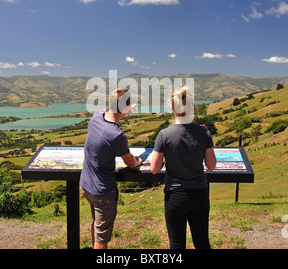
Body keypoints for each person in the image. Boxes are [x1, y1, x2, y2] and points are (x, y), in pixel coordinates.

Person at [150, 86, 216, 249]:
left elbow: (154, 169)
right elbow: (211, 166)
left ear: (172, 108)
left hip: (175, 196)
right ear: (191, 107)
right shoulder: (203, 133)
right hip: (200, 193)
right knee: (202, 242)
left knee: (177, 244)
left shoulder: (164, 135)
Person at [80, 88, 142, 249]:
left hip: (86, 185)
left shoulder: (96, 117)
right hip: (103, 191)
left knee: (97, 224)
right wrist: (138, 161)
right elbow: (130, 162)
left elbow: (112, 115)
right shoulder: (117, 135)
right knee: (102, 237)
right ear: (125, 108)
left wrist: (125, 110)